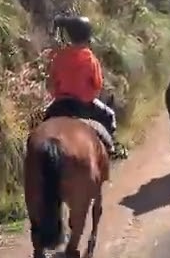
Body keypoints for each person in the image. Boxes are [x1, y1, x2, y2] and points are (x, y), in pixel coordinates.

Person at [44, 15, 128, 159]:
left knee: (41, 124)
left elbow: (51, 84)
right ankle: (112, 147)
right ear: (87, 36)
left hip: (59, 105)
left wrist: (59, 94)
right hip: (84, 106)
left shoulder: (59, 56)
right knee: (109, 115)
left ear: (70, 35)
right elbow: (97, 85)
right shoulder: (90, 58)